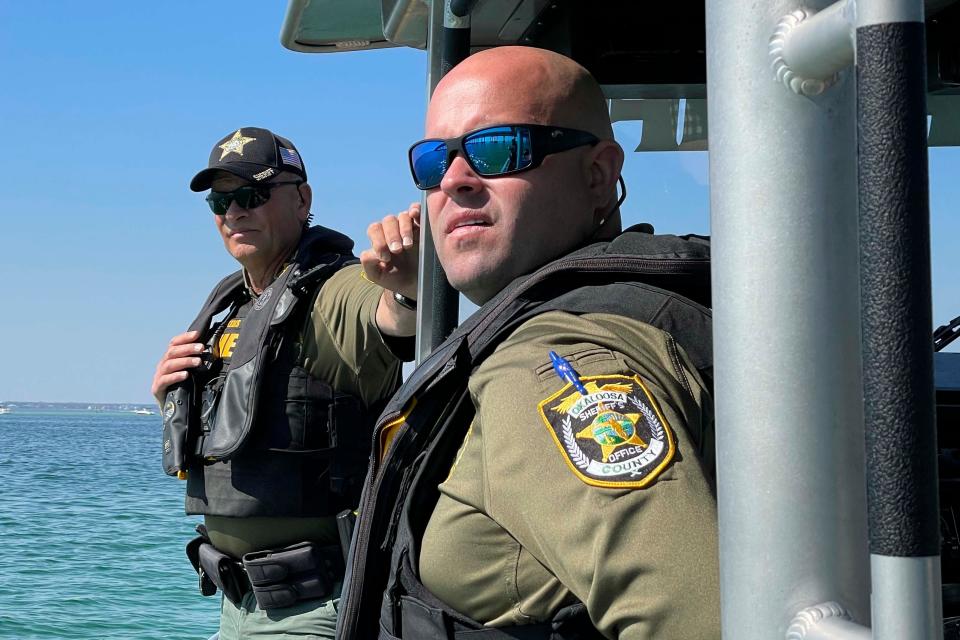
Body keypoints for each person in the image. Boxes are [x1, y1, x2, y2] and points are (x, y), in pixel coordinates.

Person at [340, 47, 720, 639]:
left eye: (498, 148)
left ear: (598, 174)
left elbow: (698, 620)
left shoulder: (553, 364)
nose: (456, 182)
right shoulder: (641, 310)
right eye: (434, 162)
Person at [150, 127, 418, 640]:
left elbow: (384, 320)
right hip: (235, 605)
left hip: (316, 606)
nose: (234, 212)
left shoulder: (335, 290)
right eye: (221, 200)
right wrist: (171, 399)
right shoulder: (233, 309)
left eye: (251, 195)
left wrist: (406, 290)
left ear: (302, 200)